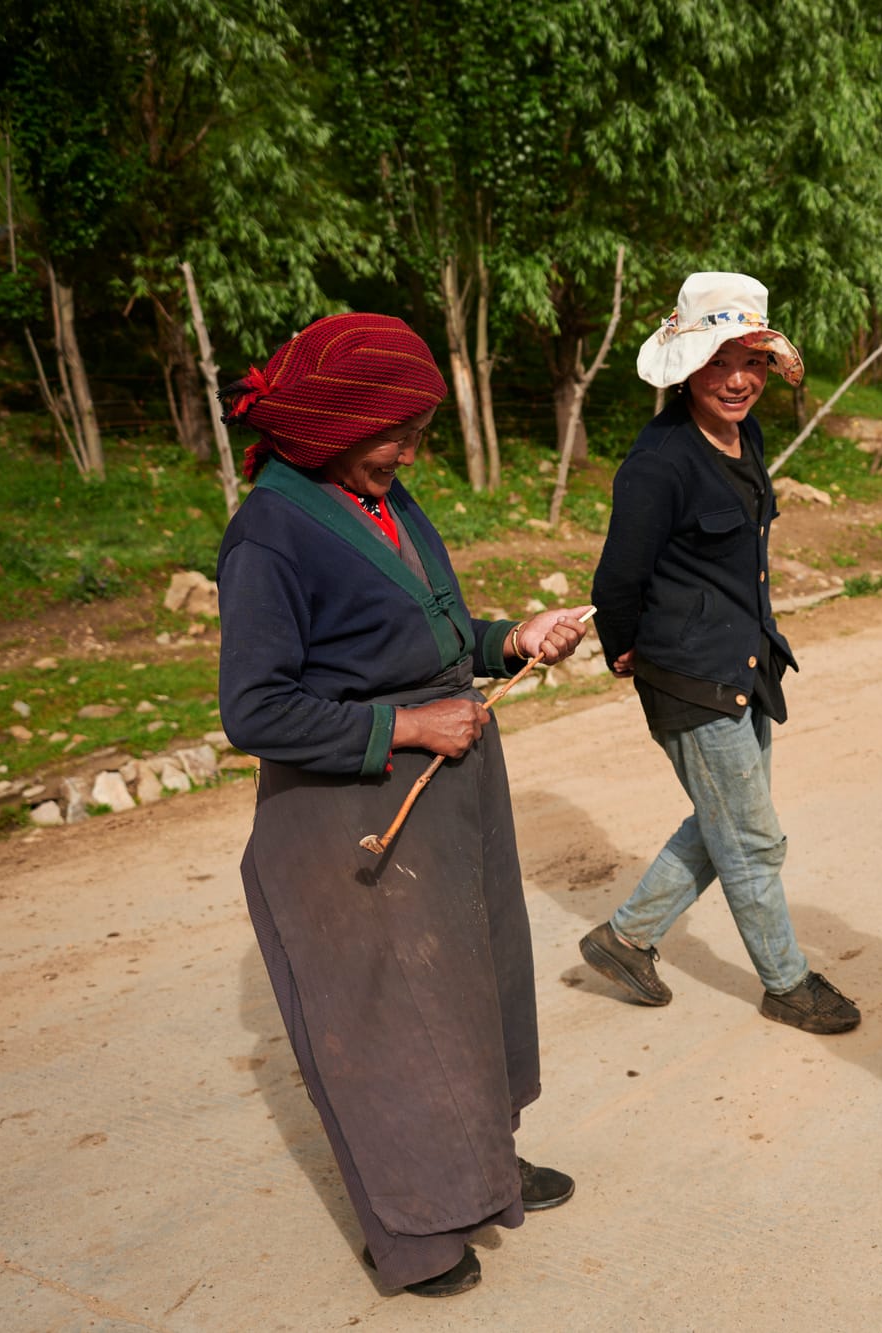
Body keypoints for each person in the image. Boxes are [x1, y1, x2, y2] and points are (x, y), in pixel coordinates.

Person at [216, 312, 590, 1298]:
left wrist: (512, 640)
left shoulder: (381, 496)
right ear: (337, 421)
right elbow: (253, 708)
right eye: (397, 430)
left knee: (471, 998)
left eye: (416, 431)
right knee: (393, 1030)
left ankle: (485, 1175)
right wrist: (404, 731)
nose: (409, 450)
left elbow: (430, 633)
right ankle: (418, 1234)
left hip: (447, 799)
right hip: (350, 817)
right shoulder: (270, 529)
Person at [577, 272, 860, 1036]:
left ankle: (625, 938)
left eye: (753, 361)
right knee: (754, 837)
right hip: (688, 673)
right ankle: (787, 982)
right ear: (686, 366)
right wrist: (627, 649)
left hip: (745, 660)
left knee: (727, 821)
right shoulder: (658, 463)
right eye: (718, 361)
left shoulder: (747, 435)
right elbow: (617, 577)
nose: (738, 380)